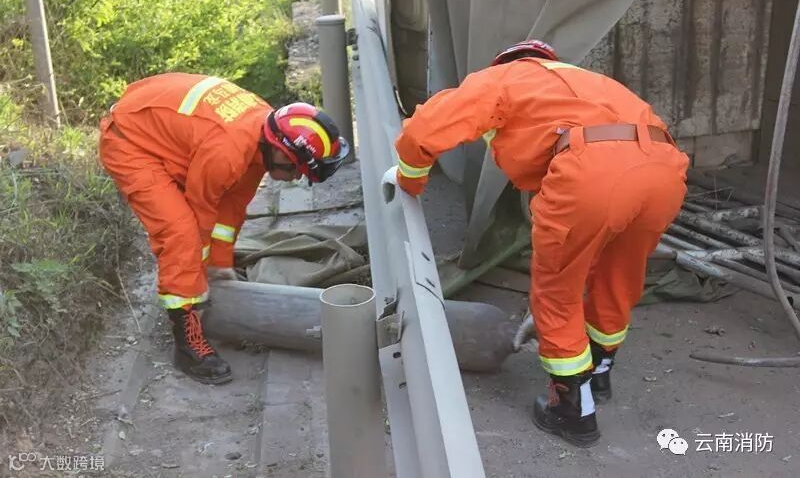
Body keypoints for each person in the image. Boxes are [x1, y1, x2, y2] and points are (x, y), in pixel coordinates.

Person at [386, 40, 689, 447]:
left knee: (557, 289)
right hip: (664, 169)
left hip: (593, 171)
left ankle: (573, 410)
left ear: (509, 62)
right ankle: (599, 374)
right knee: (620, 275)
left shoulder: (505, 78)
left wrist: (409, 181)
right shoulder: (588, 83)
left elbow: (426, 128)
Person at [99, 73, 349, 385]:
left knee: (201, 231)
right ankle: (187, 340)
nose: (297, 178)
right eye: (297, 170)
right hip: (129, 141)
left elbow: (230, 208)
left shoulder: (263, 132)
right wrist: (197, 281)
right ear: (282, 152)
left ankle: (194, 289)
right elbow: (201, 215)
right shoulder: (227, 152)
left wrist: (219, 267)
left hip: (153, 124)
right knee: (181, 233)